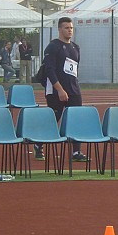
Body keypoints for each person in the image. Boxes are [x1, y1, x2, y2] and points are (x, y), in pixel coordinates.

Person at [39, 17, 86, 162]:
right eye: (66, 28)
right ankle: (38, 144)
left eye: (71, 28)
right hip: (56, 91)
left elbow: (74, 70)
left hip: (73, 90)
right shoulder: (53, 47)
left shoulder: (76, 47)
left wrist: (74, 87)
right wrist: (59, 89)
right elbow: (49, 70)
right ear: (59, 29)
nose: (69, 30)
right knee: (54, 119)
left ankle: (76, 151)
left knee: (76, 119)